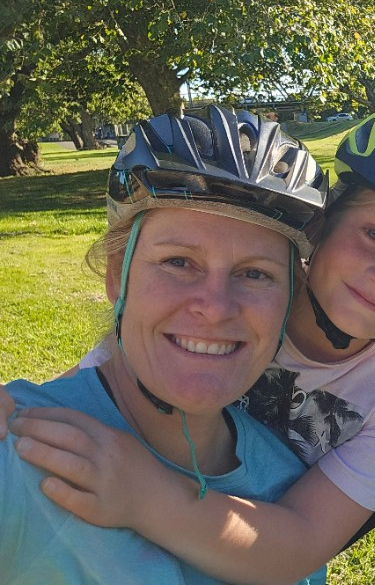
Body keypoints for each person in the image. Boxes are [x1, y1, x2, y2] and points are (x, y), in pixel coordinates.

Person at [3, 102, 375, 584]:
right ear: (323, 227)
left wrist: (146, 496)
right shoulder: (255, 287)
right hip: (287, 471)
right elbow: (124, 361)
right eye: (373, 234)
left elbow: (299, 541)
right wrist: (24, 411)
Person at [0, 105, 327, 584]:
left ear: (289, 303)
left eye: (256, 274)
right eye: (178, 262)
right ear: (118, 276)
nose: (215, 308)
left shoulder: (285, 487)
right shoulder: (20, 445)